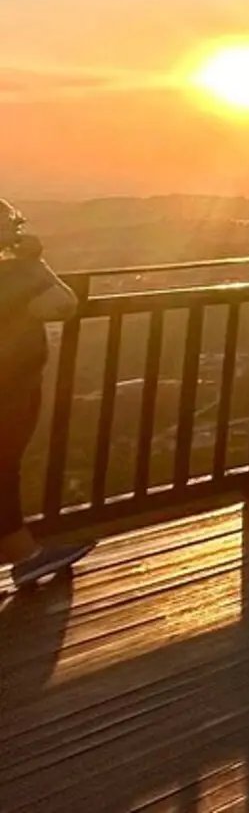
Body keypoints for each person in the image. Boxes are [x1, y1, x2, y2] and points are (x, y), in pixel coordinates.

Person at [0, 200, 93, 588]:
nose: (16, 231)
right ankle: (26, 557)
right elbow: (64, 304)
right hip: (10, 388)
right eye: (10, 225)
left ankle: (23, 553)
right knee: (3, 467)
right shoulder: (15, 275)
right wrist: (36, 262)